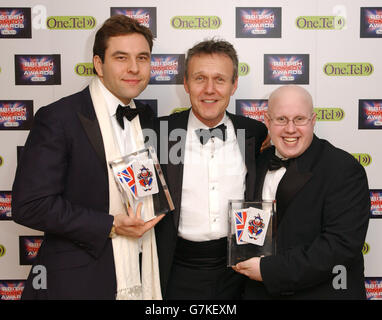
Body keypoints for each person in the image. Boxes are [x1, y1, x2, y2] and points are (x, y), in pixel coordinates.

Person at [12, 15, 163, 300]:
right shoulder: (59, 118)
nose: (134, 68)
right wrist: (109, 224)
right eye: (121, 57)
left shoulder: (149, 119)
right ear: (98, 64)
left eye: (142, 58)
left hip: (144, 274)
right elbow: (29, 205)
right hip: (78, 281)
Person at [154, 39, 269, 299]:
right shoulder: (159, 133)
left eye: (219, 79)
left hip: (239, 270)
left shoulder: (253, 132)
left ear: (234, 84)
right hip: (176, 270)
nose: (209, 89)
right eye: (199, 78)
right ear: (185, 83)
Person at [233, 85, 370, 299]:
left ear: (313, 120)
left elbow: (340, 247)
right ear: (267, 121)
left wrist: (268, 270)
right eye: (281, 119)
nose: (290, 129)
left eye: (299, 119)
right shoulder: (257, 163)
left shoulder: (343, 168)